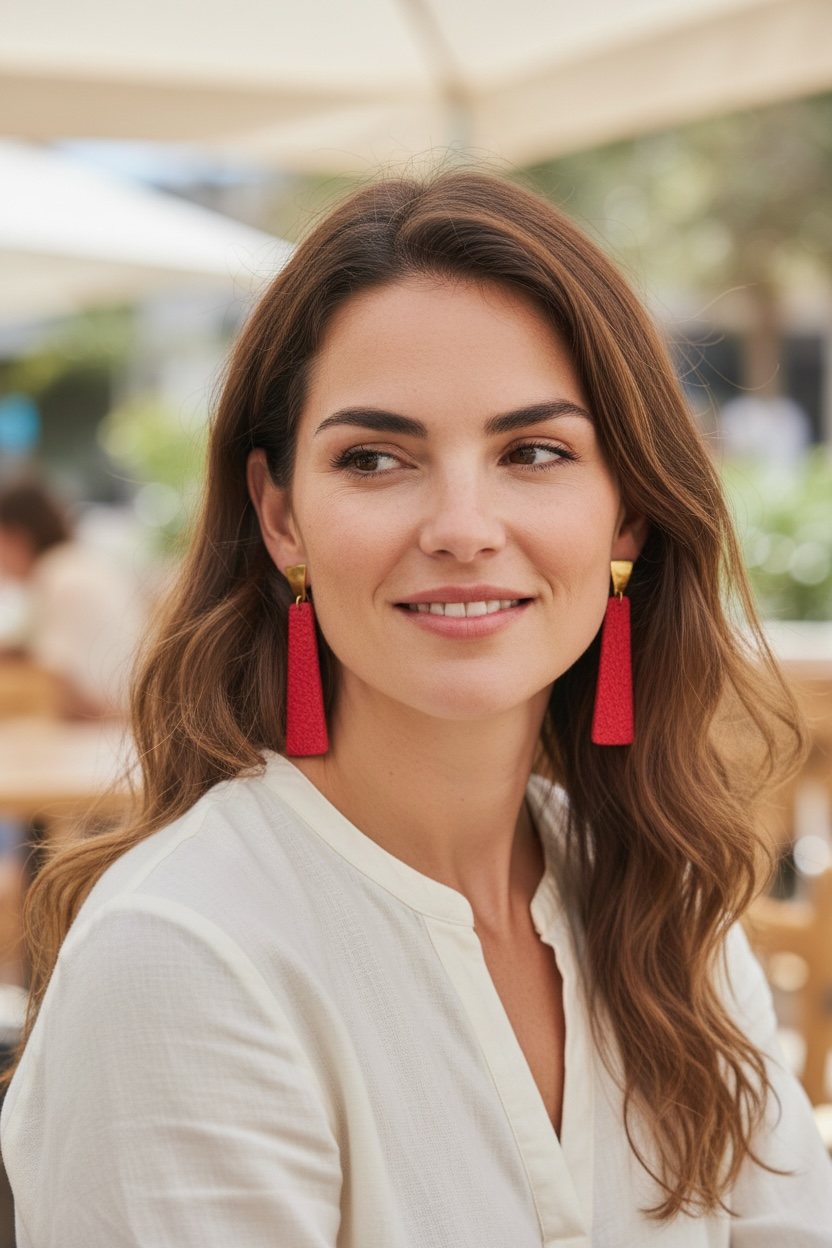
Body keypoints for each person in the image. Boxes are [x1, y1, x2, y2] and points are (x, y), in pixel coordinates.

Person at [1, 172, 830, 1247]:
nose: (461, 525)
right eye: (376, 459)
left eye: (532, 451)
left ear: (625, 516)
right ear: (281, 517)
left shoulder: (666, 907)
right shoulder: (185, 955)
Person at [0, 479, 144, 718]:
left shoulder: (57, 575)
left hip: (107, 726)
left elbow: (60, 681)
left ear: (17, 537)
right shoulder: (78, 563)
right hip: (123, 717)